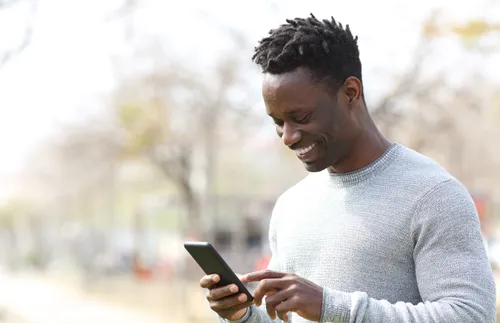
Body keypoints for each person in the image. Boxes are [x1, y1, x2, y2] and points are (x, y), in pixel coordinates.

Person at [199, 13, 496, 323]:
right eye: (278, 122)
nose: (288, 136)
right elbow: (285, 318)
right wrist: (241, 315)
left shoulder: (433, 196)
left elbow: (471, 315)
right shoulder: (292, 205)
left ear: (351, 93)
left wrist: (331, 306)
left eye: (301, 118)